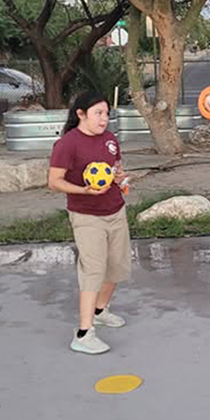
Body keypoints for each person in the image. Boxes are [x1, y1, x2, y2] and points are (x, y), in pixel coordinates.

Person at [48, 91, 131, 354]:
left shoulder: (110, 140)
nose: (104, 119)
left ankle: (100, 310)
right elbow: (54, 182)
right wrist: (84, 191)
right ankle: (84, 334)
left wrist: (121, 180)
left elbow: (116, 170)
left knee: (116, 266)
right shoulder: (68, 144)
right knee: (93, 270)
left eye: (107, 113)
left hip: (115, 210)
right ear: (81, 114)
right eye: (98, 113)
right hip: (86, 216)